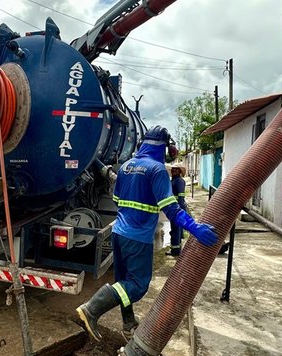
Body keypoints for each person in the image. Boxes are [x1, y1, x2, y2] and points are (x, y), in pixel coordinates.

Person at [76, 126, 218, 341]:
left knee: (123, 281)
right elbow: (171, 209)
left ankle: (128, 322)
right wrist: (195, 228)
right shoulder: (157, 170)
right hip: (138, 238)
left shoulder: (125, 167)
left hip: (118, 233)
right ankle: (91, 310)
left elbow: (116, 200)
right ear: (163, 147)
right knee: (138, 286)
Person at [167, 163, 188, 257]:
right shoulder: (174, 180)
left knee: (176, 230)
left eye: (176, 169)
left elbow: (180, 197)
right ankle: (176, 248)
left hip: (177, 208)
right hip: (174, 208)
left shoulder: (179, 181)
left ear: (180, 171)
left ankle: (175, 251)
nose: (173, 170)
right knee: (176, 229)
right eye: (172, 169)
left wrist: (178, 209)